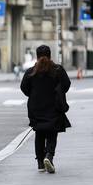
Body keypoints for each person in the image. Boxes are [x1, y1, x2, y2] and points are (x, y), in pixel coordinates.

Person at [20, 45, 71, 174]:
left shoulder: (31, 72)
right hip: (54, 108)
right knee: (52, 133)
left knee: (39, 133)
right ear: (50, 55)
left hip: (36, 109)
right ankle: (49, 156)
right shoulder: (58, 70)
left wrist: (34, 95)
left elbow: (24, 88)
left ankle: (40, 163)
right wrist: (58, 92)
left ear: (37, 57)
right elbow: (66, 85)